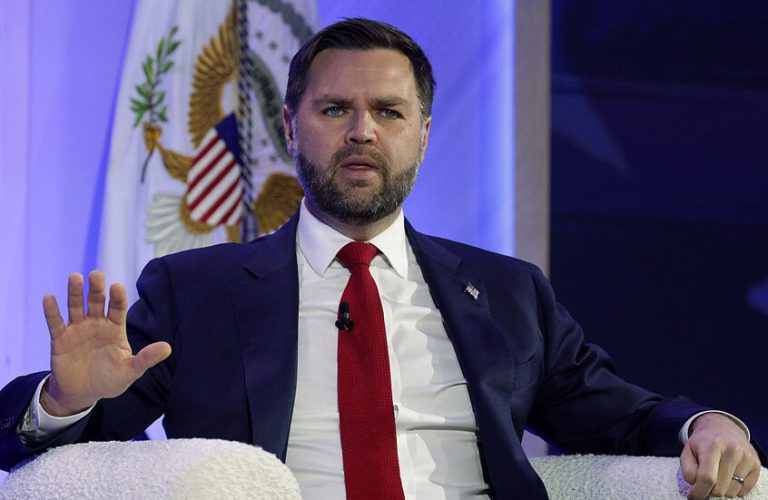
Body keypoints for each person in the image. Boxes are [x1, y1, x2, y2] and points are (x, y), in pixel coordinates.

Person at [0, 18, 763, 500]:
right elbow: (55, 448)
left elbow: (621, 414)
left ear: (422, 136)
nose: (361, 131)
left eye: (389, 112)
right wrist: (64, 402)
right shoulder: (197, 291)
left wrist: (708, 423)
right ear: (290, 129)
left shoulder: (508, 293)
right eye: (335, 109)